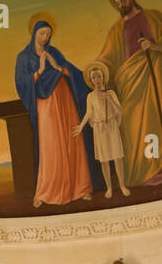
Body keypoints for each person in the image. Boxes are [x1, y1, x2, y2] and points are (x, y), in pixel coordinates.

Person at [96, 0, 162, 188]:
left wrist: (155, 46)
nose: (121, 4)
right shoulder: (116, 30)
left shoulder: (154, 17)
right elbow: (108, 58)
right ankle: (145, 175)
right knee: (134, 126)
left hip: (159, 74)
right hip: (131, 82)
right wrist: (99, 71)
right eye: (117, 3)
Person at [14, 16, 101, 208]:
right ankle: (45, 192)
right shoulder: (24, 57)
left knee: (72, 141)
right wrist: (39, 71)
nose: (45, 37)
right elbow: (21, 83)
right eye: (42, 33)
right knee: (51, 146)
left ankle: (81, 188)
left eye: (48, 34)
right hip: (45, 103)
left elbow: (71, 73)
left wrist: (57, 67)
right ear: (34, 33)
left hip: (64, 98)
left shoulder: (54, 51)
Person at [73, 61, 130, 198]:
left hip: (111, 126)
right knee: (104, 160)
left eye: (99, 76)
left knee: (117, 157)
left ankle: (122, 185)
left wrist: (109, 99)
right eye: (94, 77)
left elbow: (120, 110)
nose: (97, 80)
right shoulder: (90, 96)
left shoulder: (110, 92)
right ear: (91, 80)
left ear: (103, 77)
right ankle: (109, 188)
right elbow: (88, 113)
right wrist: (81, 126)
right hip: (99, 128)